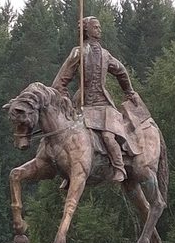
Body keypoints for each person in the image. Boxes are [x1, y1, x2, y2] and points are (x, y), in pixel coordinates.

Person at [52, 16, 137, 182]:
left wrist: (129, 91)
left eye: (99, 27)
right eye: (96, 27)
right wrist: (63, 95)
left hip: (103, 104)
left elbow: (121, 71)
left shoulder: (106, 55)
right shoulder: (78, 52)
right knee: (73, 137)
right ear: (86, 30)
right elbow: (61, 80)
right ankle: (71, 170)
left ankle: (119, 168)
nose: (100, 30)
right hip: (83, 104)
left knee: (107, 136)